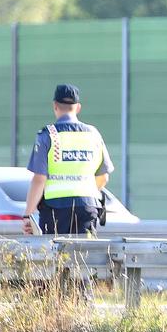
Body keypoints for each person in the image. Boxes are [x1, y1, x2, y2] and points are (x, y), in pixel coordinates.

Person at [23, 83, 114, 235]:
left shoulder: (47, 135)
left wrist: (28, 215)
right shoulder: (93, 134)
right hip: (87, 208)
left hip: (55, 210)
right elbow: (103, 177)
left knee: (56, 256)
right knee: (83, 257)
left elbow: (39, 179)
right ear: (78, 107)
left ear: (55, 106)